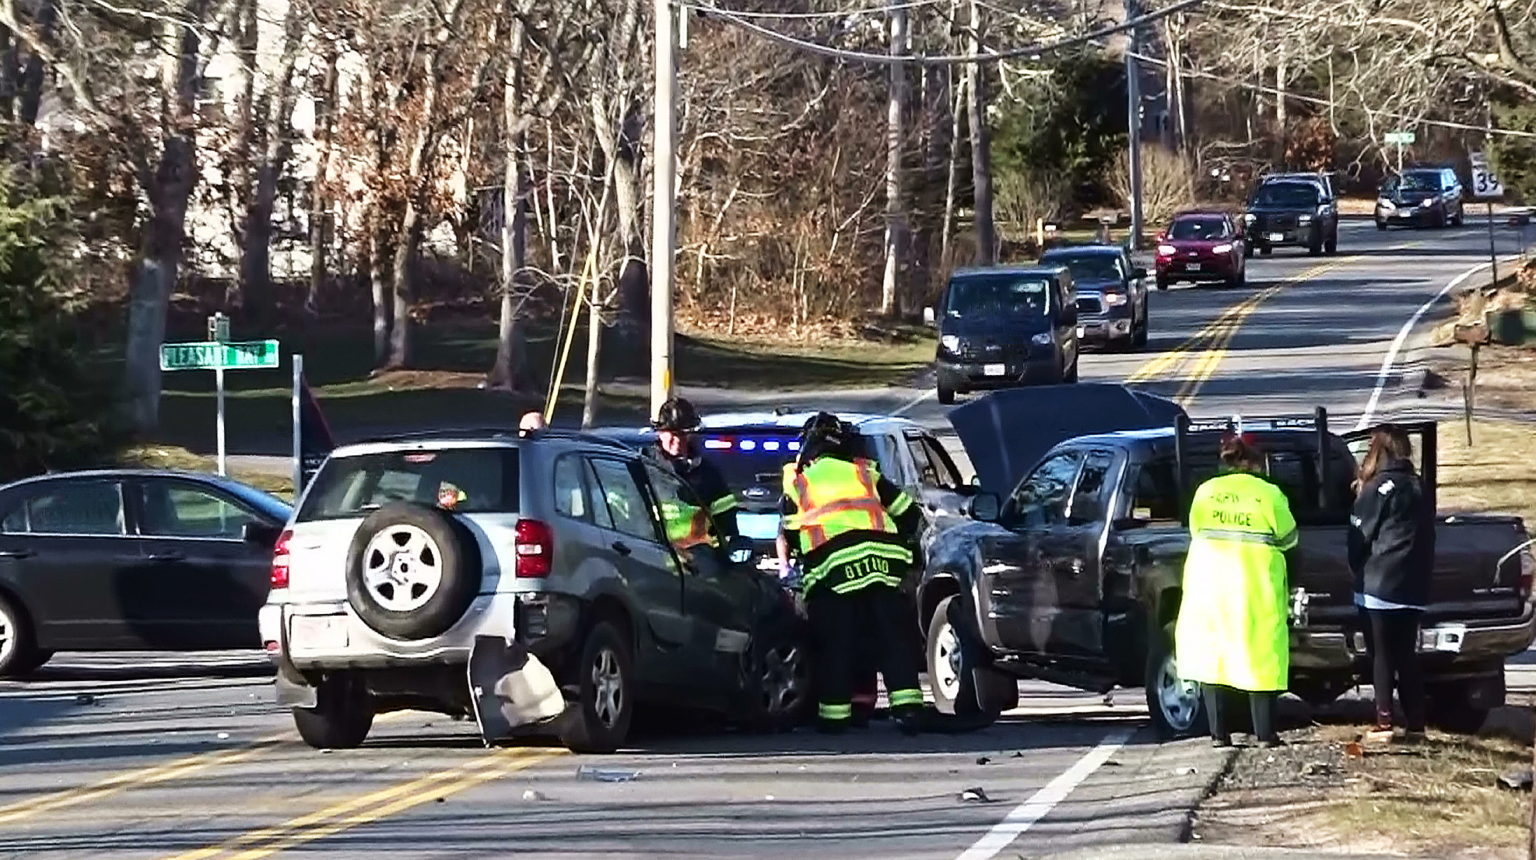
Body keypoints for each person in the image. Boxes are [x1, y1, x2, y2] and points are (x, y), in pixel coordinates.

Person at [780, 412, 923, 734]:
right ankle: (910, 710)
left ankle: (835, 718)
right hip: (884, 565)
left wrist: (796, 567)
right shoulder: (865, 472)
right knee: (893, 640)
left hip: (834, 570)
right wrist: (910, 555)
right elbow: (909, 514)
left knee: (836, 644)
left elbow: (790, 534)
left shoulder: (798, 481)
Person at [1175, 432, 1297, 748]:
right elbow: (1289, 538)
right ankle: (1266, 734)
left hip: (1209, 587)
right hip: (1254, 588)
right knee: (1261, 658)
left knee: (1214, 657)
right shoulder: (1269, 494)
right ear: (1258, 462)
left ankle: (1218, 734)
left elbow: (1195, 530)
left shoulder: (1206, 491)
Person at [1348, 425, 1431, 743]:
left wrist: (1357, 569)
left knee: (1381, 654)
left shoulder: (1377, 488)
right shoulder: (1418, 486)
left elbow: (1359, 536)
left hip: (1379, 584)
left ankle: (1384, 722)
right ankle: (1416, 725)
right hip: (1413, 585)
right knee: (1406, 654)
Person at [651, 397, 739, 542]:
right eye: (673, 433)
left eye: (683, 433)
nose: (678, 440)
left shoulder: (708, 474)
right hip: (651, 557)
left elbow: (726, 526)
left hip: (698, 560)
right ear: (660, 433)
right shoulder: (643, 467)